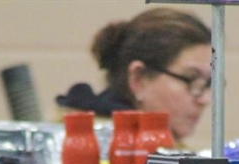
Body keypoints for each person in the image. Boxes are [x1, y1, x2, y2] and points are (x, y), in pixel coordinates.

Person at [56, 7, 212, 143]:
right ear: (139, 79)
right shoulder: (99, 155)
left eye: (208, 83)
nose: (205, 99)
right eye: (191, 79)